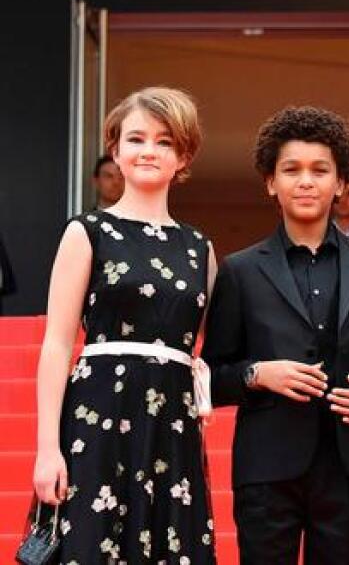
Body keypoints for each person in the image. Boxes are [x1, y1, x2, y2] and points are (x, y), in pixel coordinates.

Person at [201, 106, 349, 563]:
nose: (306, 181)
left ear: (341, 183)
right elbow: (210, 375)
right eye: (291, 169)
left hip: (348, 465)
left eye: (320, 170)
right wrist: (258, 374)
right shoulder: (239, 270)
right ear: (271, 182)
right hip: (266, 467)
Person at [32, 86, 216, 561]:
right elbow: (56, 345)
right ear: (115, 148)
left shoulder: (201, 249)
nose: (148, 151)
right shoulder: (86, 231)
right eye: (136, 139)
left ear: (184, 155)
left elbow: (218, 345)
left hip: (173, 425)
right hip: (97, 417)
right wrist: (47, 449)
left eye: (165, 141)